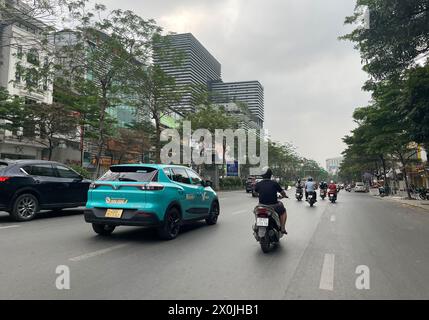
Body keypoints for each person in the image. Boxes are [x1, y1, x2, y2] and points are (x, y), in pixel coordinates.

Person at [254, 167, 289, 234]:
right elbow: (282, 192)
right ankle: (282, 228)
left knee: (256, 211)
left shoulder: (258, 184)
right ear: (270, 174)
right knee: (283, 211)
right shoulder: (274, 183)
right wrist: (284, 196)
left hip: (261, 205)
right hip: (273, 206)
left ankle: (256, 226)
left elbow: (255, 192)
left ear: (262, 175)